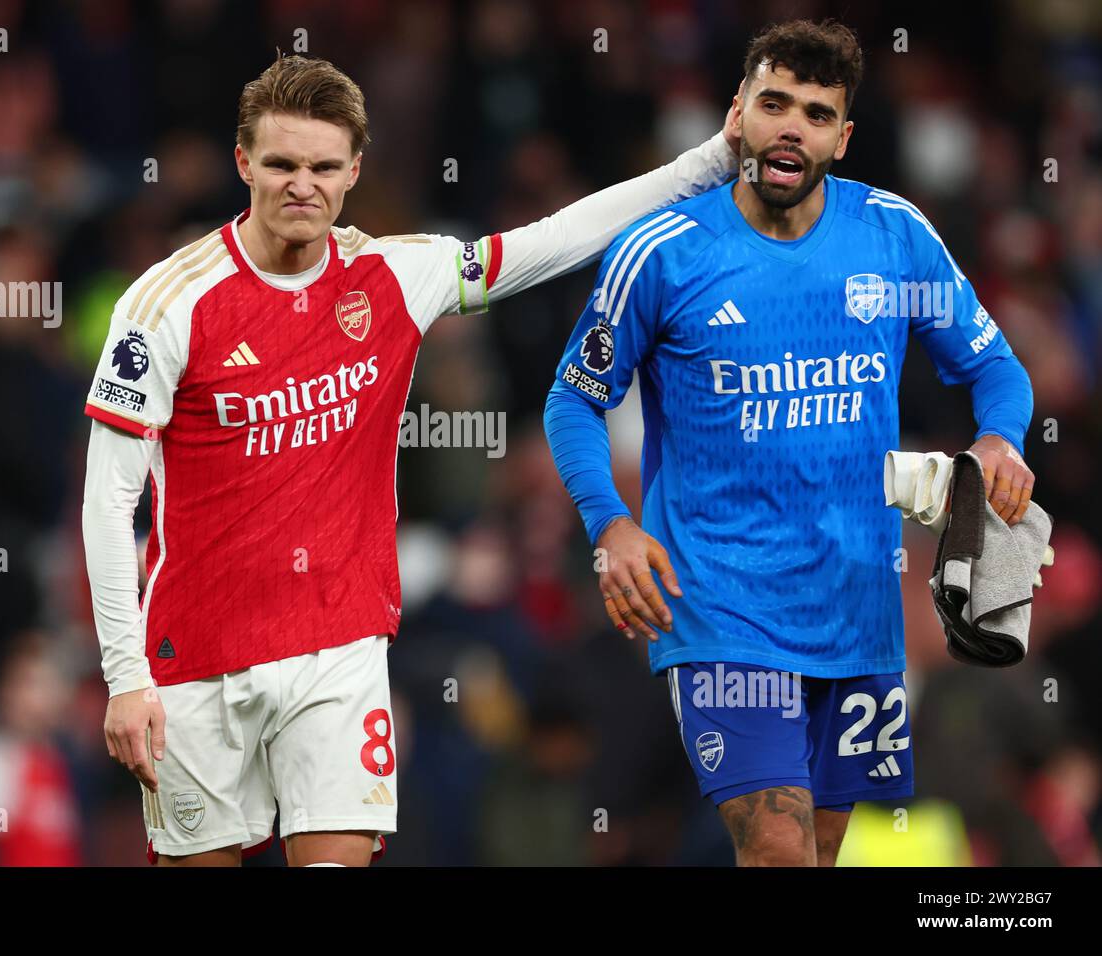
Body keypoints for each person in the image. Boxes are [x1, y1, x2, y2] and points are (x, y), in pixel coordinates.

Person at [83, 53, 740, 866]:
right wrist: (125, 676)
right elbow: (107, 502)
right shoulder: (166, 303)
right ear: (243, 163)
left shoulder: (396, 275)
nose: (302, 184)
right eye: (282, 163)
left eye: (324, 166)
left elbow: (555, 238)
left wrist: (714, 159)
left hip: (340, 647)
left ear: (355, 169)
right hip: (197, 657)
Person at [544, 19, 1035, 866]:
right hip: (720, 602)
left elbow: (997, 368)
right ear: (739, 114)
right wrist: (611, 524)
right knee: (777, 845)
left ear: (841, 138)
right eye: (774, 104)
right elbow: (572, 401)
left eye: (814, 113)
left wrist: (999, 441)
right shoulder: (662, 252)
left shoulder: (894, 235)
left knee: (822, 849)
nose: (790, 127)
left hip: (858, 606)